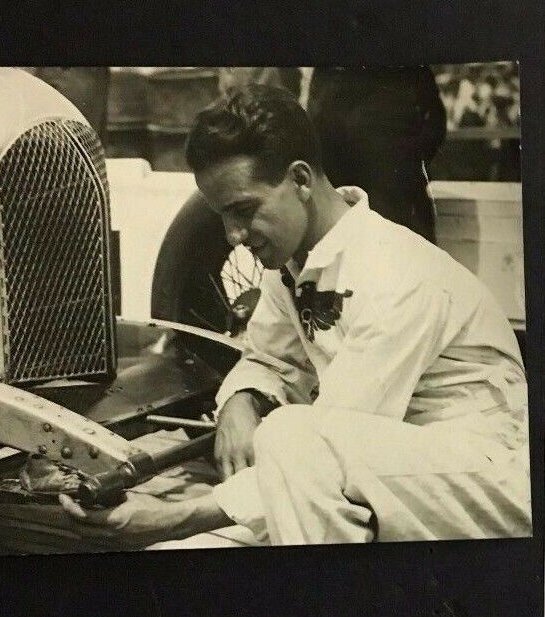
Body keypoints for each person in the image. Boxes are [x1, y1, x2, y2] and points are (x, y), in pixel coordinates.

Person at [60, 84, 531, 547]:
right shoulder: (298, 260)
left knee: (289, 437)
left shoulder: (399, 273)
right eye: (222, 215)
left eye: (244, 209)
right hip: (393, 470)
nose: (232, 235)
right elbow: (267, 359)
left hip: (486, 479)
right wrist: (240, 401)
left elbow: (320, 445)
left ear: (301, 180)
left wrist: (175, 516)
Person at [306, 66, 446, 244]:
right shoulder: (408, 60)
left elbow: (317, 130)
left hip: (387, 200)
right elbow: (435, 123)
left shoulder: (332, 68)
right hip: (386, 200)